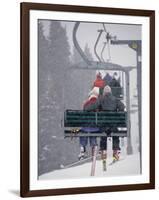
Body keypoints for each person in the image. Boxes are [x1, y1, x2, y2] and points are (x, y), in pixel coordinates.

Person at [91, 85, 125, 162]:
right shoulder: (115, 100)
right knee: (115, 135)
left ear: (104, 92)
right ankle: (115, 151)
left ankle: (103, 151)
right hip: (113, 125)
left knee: (103, 135)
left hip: (103, 125)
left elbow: (93, 107)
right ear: (110, 92)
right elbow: (122, 107)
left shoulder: (100, 99)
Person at [78, 87, 100, 160]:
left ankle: (82, 148)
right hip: (95, 127)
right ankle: (94, 148)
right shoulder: (99, 103)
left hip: (85, 127)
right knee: (93, 133)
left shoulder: (86, 103)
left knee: (84, 131)